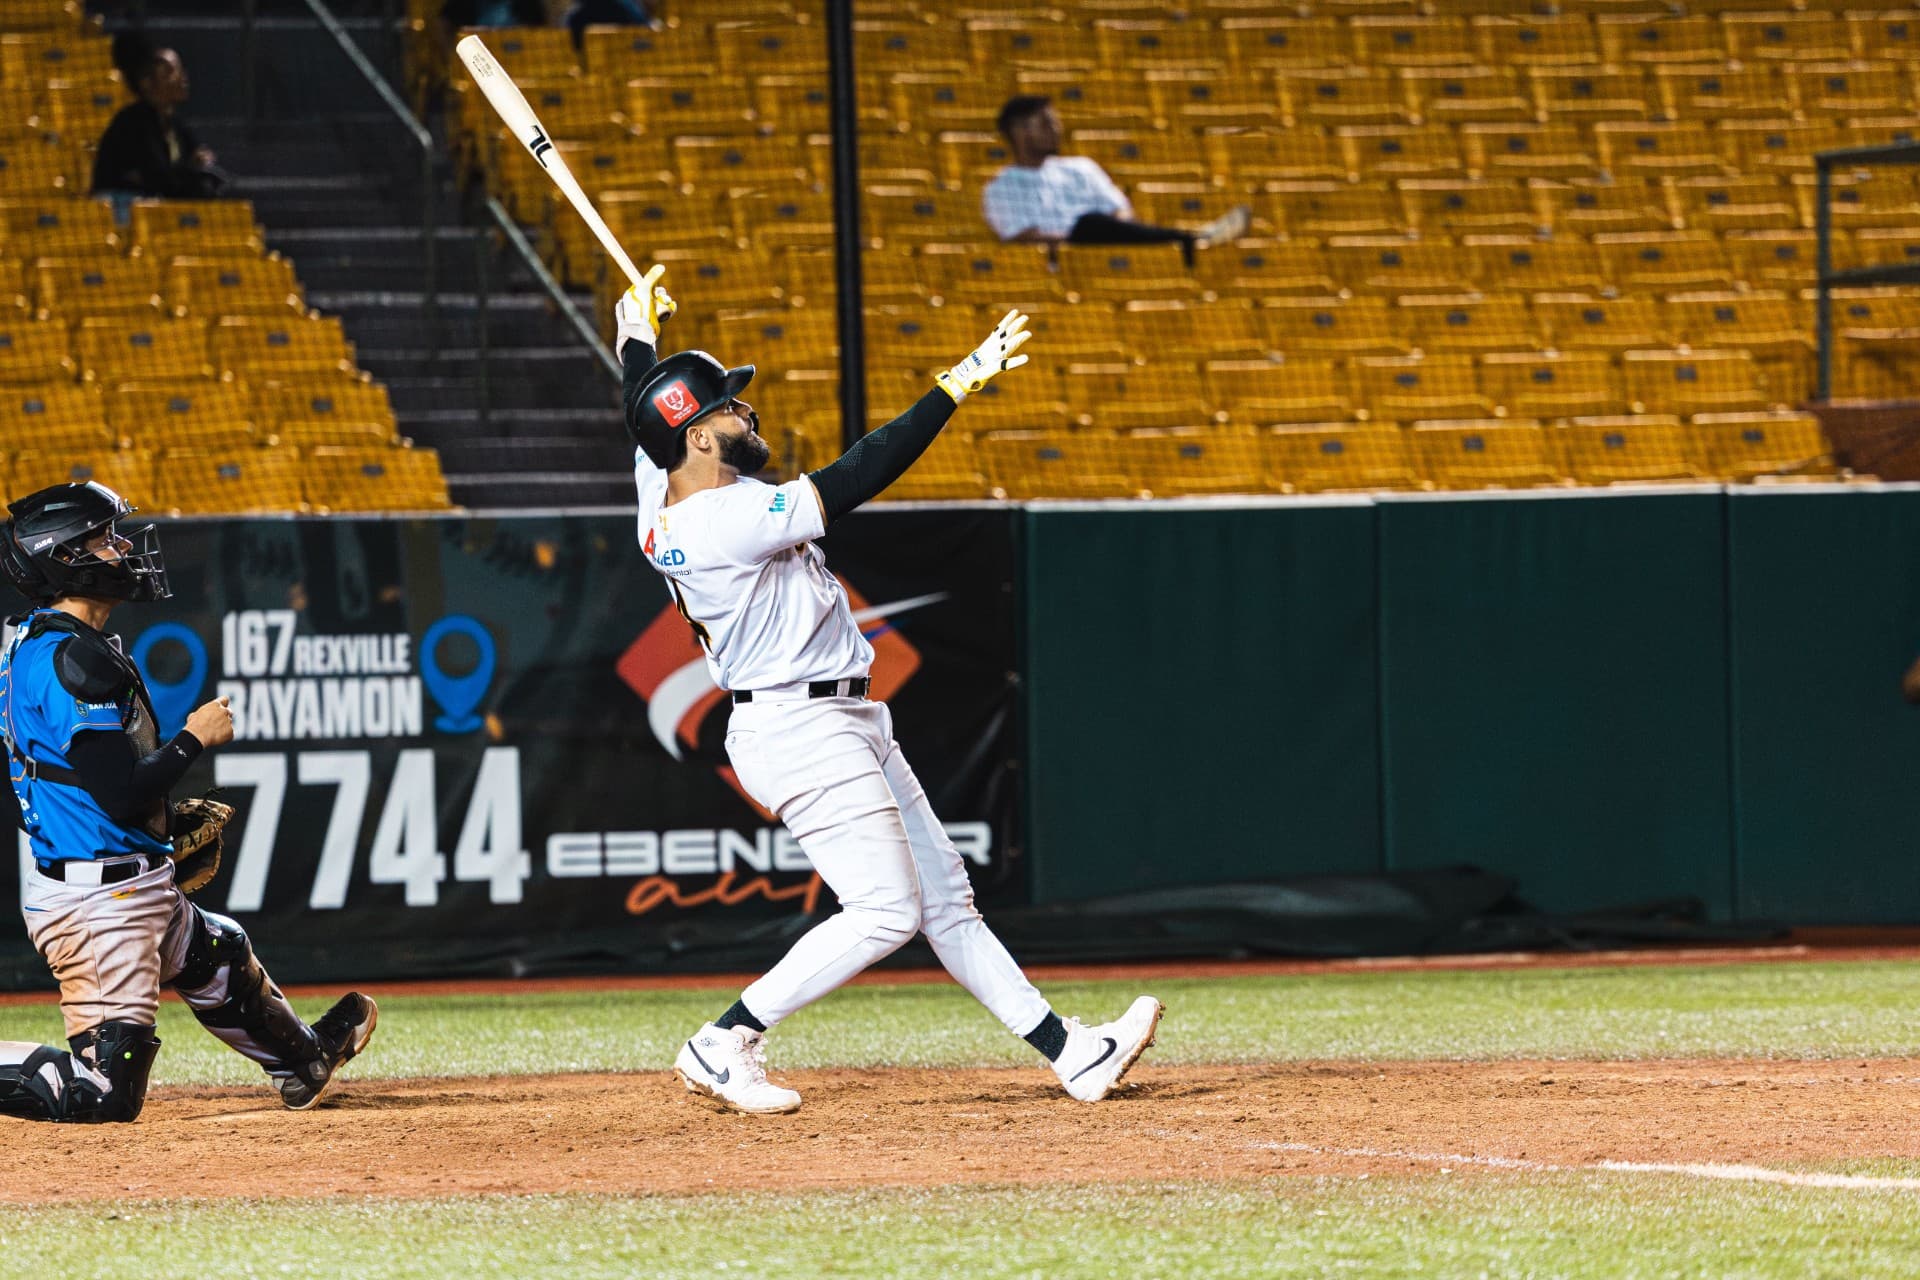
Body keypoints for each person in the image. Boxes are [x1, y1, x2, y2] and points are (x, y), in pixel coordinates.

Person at [612, 266, 1163, 1114]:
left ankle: (1073, 1054)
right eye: (726, 408)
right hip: (799, 726)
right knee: (885, 911)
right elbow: (856, 476)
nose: (743, 412)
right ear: (698, 439)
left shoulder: (664, 489)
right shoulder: (724, 519)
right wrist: (953, 386)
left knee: (946, 901)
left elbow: (642, 419)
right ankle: (724, 1040)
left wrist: (636, 336)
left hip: (833, 714)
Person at [0, 483, 377, 1124]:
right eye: (104, 539)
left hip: (114, 879)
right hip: (100, 903)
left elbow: (57, 781)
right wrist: (193, 739)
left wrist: (156, 827)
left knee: (215, 952)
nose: (123, 549)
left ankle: (303, 1061)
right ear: (64, 558)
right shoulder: (73, 659)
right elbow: (120, 792)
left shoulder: (37, 642)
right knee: (103, 1094)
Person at [983, 95, 1249, 266]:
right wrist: (1079, 242)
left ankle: (1187, 242)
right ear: (1019, 132)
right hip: (1061, 264)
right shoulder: (1001, 188)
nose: (1056, 130)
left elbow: (1121, 214)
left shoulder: (1081, 168)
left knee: (1096, 224)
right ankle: (1191, 240)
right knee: (1089, 224)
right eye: (1045, 123)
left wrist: (1105, 237)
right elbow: (1023, 238)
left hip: (1115, 257)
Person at [91, 32, 227, 200]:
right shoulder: (132, 124)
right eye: (170, 71)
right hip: (121, 205)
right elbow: (157, 177)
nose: (182, 78)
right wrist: (190, 168)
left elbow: (197, 160)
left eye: (181, 70)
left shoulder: (176, 125)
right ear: (146, 82)